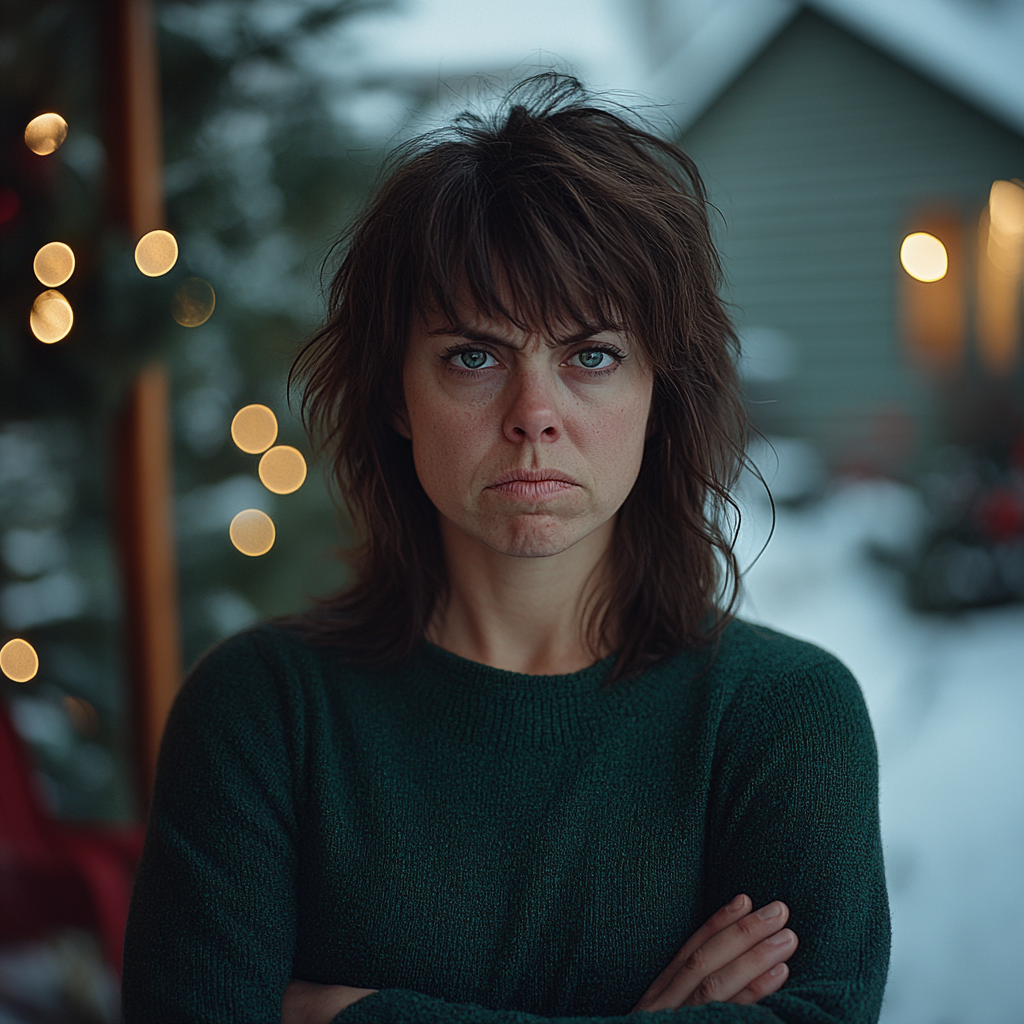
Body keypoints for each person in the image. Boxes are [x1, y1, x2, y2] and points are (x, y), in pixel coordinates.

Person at [121, 74, 890, 1023]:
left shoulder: (781, 721)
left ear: (660, 394)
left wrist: (348, 1016)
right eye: (473, 355)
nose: (535, 416)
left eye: (591, 355)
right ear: (396, 395)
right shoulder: (262, 715)